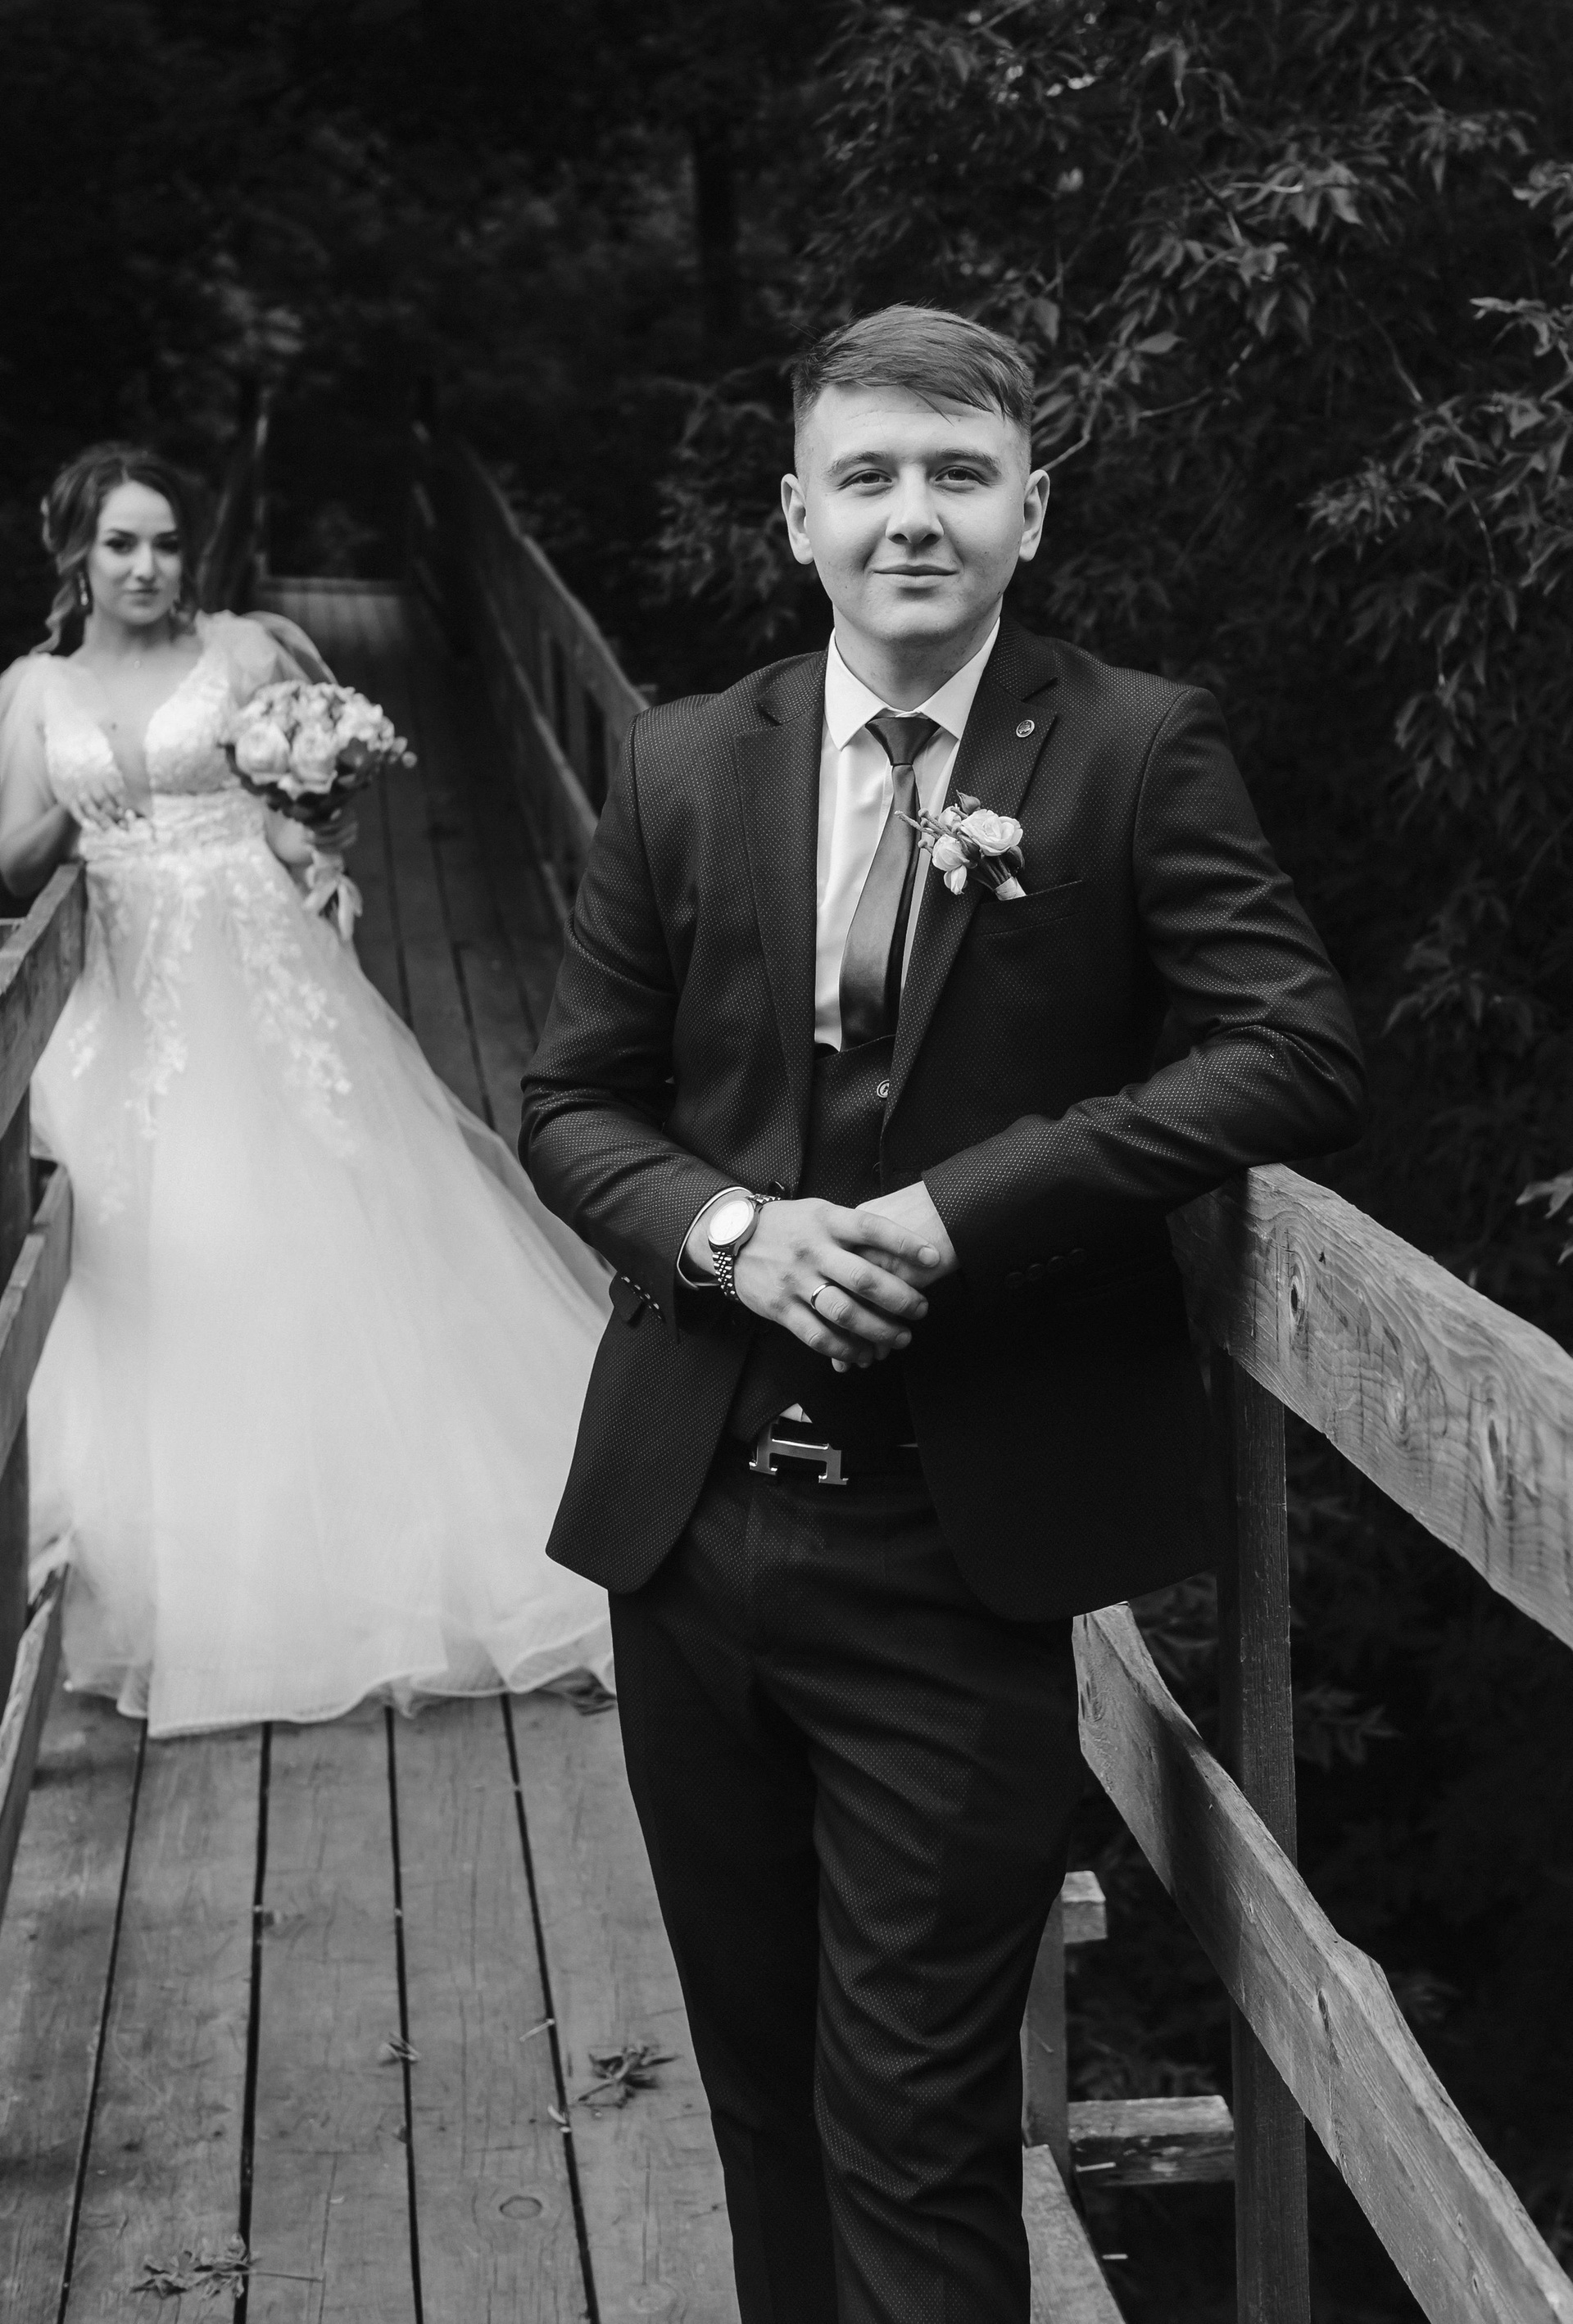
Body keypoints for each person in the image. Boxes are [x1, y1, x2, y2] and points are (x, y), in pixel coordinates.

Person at [520, 306, 1367, 2322]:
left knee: (910, 2126)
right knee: (761, 2103)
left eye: (960, 475)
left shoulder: (1137, 745)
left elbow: (1296, 1047)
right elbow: (571, 1101)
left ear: (1030, 513)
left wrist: (963, 1211)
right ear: (796, 512)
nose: (915, 515)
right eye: (871, 475)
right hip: (689, 1523)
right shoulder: (684, 759)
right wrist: (730, 1228)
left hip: (957, 1548)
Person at [0, 442, 614, 1737]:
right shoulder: (35, 688)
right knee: (130, 1255)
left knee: (285, 1221)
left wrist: (314, 818)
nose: (148, 566)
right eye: (121, 543)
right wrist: (75, 804)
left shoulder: (241, 652)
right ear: (75, 553)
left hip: (255, 964)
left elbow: (295, 817)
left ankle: (344, 1549)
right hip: (121, 984)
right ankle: (161, 1557)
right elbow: (10, 861)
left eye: (166, 541)